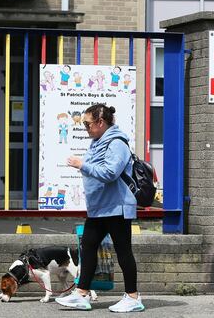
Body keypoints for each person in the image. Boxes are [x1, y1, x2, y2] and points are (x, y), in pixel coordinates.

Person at [55, 104, 145, 313]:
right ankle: (82, 294)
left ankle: (133, 297)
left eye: (87, 124)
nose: (84, 127)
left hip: (116, 206)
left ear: (100, 122)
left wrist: (82, 164)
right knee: (88, 246)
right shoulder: (98, 142)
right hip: (101, 206)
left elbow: (110, 172)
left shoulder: (116, 143)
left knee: (123, 251)